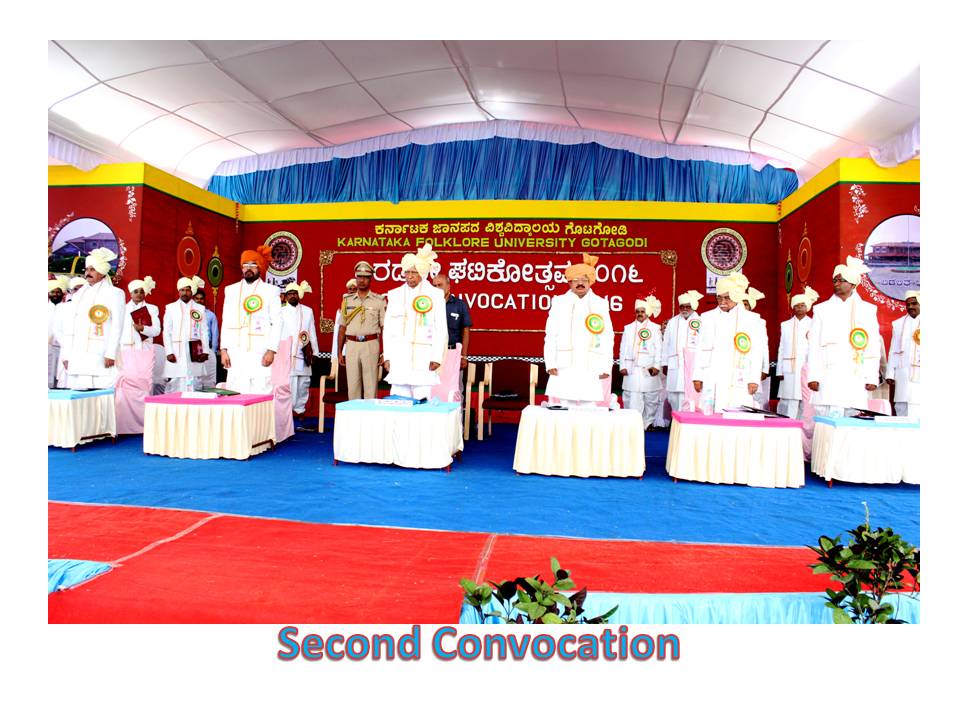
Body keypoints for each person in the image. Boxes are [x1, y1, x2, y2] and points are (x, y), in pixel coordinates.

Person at [807, 256, 881, 417]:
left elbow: (873, 345)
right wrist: (813, 375)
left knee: (852, 418)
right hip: (828, 375)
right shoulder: (821, 309)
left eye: (841, 280)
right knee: (826, 420)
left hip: (856, 375)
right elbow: (813, 345)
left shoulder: (868, 310)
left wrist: (872, 377)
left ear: (853, 284)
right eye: (835, 280)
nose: (837, 283)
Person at [543, 253, 614, 407]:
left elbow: (608, 336)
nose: (580, 283)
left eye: (584, 280)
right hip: (564, 364)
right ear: (569, 282)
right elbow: (550, 335)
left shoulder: (600, 303)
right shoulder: (559, 302)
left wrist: (606, 366)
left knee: (589, 407)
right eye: (576, 280)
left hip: (590, 365)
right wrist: (550, 362)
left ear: (590, 281)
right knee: (564, 406)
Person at [382, 244, 448, 399]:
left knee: (422, 401)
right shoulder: (395, 295)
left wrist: (437, 357)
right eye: (407, 272)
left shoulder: (435, 295)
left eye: (414, 272)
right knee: (398, 400)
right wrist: (388, 356)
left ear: (422, 274)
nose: (410, 276)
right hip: (399, 358)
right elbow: (388, 329)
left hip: (424, 359)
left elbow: (441, 329)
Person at [691, 272, 763, 412]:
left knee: (738, 413)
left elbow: (757, 351)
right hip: (713, 374)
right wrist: (697, 376)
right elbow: (700, 348)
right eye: (719, 298)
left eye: (727, 298)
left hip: (740, 376)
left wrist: (754, 378)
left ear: (737, 297)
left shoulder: (752, 319)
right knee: (712, 412)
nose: (722, 302)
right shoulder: (707, 318)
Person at [220, 245, 283, 394]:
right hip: (236, 351)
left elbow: (277, 322)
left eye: (253, 265)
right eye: (245, 265)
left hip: (260, 351)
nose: (249, 268)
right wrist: (224, 350)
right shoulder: (230, 290)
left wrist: (271, 350)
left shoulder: (271, 291)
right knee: (235, 390)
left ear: (260, 267)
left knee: (261, 391)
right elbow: (226, 320)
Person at [61, 248, 126, 390]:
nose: (88, 273)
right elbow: (69, 327)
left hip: (102, 355)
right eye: (87, 269)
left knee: (101, 396)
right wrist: (66, 355)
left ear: (102, 272)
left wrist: (111, 353)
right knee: (80, 398)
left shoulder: (115, 293)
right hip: (78, 355)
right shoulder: (78, 295)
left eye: (92, 269)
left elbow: (117, 326)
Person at [338, 261, 386, 399]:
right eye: (359, 276)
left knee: (371, 386)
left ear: (370, 279)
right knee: (353, 386)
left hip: (371, 345)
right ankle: (354, 419)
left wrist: (385, 352)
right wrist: (340, 351)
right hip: (352, 345)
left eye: (365, 277)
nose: (361, 280)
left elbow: (384, 328)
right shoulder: (347, 300)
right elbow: (342, 327)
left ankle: (370, 419)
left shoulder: (379, 300)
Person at [620, 295, 663, 428]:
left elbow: (659, 348)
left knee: (651, 397)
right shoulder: (628, 328)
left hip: (648, 367)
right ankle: (633, 424)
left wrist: (657, 366)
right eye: (637, 311)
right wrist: (622, 365)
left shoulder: (655, 328)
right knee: (632, 396)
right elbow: (623, 347)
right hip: (631, 367)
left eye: (642, 311)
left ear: (647, 313)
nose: (640, 314)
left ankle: (648, 422)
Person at [775, 286, 818, 419]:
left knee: (804, 399)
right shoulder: (785, 324)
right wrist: (779, 371)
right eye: (797, 306)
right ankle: (787, 424)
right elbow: (781, 348)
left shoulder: (813, 324)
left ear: (807, 307)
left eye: (802, 305)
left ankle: (803, 426)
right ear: (793, 307)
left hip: (806, 368)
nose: (799, 308)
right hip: (789, 368)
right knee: (789, 399)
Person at [162, 276, 210, 393]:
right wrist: (169, 352)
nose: (185, 293)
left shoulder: (199, 308)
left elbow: (204, 331)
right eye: (182, 290)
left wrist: (205, 351)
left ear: (192, 291)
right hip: (176, 350)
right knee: (175, 380)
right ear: (178, 291)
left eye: (188, 290)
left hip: (194, 350)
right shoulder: (170, 308)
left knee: (194, 379)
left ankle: (193, 404)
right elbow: (166, 331)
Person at [280, 280, 320, 416]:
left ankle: (300, 409)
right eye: (289, 294)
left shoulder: (308, 311)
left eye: (295, 293)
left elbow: (312, 331)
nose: (292, 296)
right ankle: (288, 411)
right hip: (287, 353)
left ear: (299, 295)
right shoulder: (281, 312)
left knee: (303, 382)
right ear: (285, 297)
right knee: (290, 383)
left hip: (304, 352)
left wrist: (315, 351)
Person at [661, 289, 703, 413]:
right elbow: (666, 344)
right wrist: (664, 363)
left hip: (693, 366)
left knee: (690, 395)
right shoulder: (672, 322)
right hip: (675, 364)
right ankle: (675, 421)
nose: (685, 309)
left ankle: (689, 421)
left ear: (693, 307)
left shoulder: (701, 321)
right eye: (682, 306)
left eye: (688, 306)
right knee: (674, 396)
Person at [887, 291, 920, 418]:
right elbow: (893, 349)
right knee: (901, 407)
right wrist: (890, 372)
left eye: (914, 303)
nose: (910, 307)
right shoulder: (898, 324)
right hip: (902, 374)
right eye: (908, 304)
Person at [743, 286, 770, 408]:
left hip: (753, 363)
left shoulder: (759, 321)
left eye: (746, 305)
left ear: (751, 306)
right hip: (738, 365)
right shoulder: (733, 319)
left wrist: (765, 368)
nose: (743, 307)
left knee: (755, 397)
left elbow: (764, 345)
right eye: (741, 304)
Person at [192, 286, 219, 390]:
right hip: (192, 348)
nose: (199, 300)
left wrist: (212, 352)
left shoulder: (211, 315)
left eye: (201, 298)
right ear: (193, 299)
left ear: (204, 300)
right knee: (194, 376)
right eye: (197, 298)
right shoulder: (189, 314)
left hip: (206, 350)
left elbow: (215, 334)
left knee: (207, 377)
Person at [48, 275, 69, 388]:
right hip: (48, 348)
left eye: (58, 292)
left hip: (64, 347)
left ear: (63, 294)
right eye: (53, 292)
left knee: (61, 376)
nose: (55, 294)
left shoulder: (67, 308)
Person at [331, 278, 358, 359]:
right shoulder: (344, 306)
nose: (352, 291)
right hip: (346, 343)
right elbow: (341, 329)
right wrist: (339, 352)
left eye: (355, 289)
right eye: (350, 289)